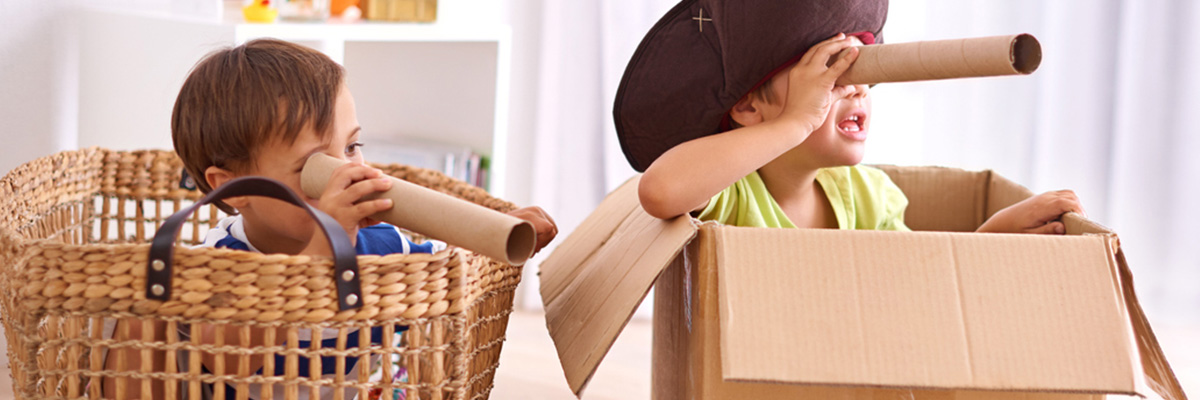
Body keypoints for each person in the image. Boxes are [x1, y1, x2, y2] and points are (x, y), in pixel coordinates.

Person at [103, 38, 558, 399]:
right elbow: (232, 360)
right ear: (232, 189)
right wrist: (325, 244)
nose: (350, 172)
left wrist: (498, 228)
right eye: (312, 170)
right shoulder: (220, 261)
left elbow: (449, 274)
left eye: (353, 147)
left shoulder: (379, 246)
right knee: (141, 317)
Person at [617, 1, 1081, 233]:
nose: (857, 86)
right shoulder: (732, 196)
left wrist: (992, 235)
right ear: (749, 106)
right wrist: (795, 123)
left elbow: (917, 284)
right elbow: (659, 192)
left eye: (860, 70)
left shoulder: (871, 198)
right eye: (829, 76)